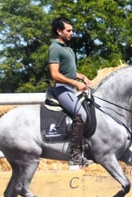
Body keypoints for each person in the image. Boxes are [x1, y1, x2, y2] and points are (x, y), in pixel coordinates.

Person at [48, 17, 92, 167]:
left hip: (70, 88)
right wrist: (75, 83)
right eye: (68, 30)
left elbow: (69, 71)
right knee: (81, 115)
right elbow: (54, 74)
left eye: (72, 30)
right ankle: (74, 156)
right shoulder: (55, 48)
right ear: (59, 31)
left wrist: (82, 76)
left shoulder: (68, 49)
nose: (72, 33)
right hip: (61, 89)